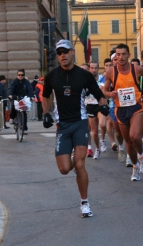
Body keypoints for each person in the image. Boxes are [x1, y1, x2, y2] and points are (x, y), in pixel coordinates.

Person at [42, 39, 108, 217]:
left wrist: (103, 106)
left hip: (80, 123)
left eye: (65, 51)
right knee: (64, 169)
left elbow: (99, 95)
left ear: (72, 52)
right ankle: (71, 155)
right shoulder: (52, 76)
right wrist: (47, 113)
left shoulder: (83, 75)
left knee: (79, 164)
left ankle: (84, 203)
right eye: (59, 53)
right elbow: (45, 96)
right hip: (62, 125)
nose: (62, 55)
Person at [103, 43, 143, 181]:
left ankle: (142, 157)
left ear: (129, 55)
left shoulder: (136, 69)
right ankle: (135, 167)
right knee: (128, 142)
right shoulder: (111, 72)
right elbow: (104, 90)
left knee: (135, 136)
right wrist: (110, 93)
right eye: (118, 54)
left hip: (136, 107)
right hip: (120, 110)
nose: (121, 57)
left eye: (124, 54)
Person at [85, 61, 107, 159]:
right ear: (89, 69)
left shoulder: (102, 78)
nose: (94, 70)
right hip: (90, 105)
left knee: (102, 124)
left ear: (98, 69)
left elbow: (105, 91)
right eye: (92, 68)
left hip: (99, 105)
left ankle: (103, 139)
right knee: (94, 132)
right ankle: (97, 149)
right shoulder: (85, 80)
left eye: (95, 68)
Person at [8, 69, 34, 135]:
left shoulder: (26, 82)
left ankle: (24, 129)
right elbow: (11, 88)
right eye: (19, 75)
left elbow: (30, 89)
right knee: (13, 106)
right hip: (15, 97)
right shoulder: (14, 81)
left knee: (24, 113)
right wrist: (10, 94)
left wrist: (32, 96)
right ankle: (12, 117)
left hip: (23, 98)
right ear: (17, 75)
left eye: (22, 75)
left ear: (24, 75)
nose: (20, 76)